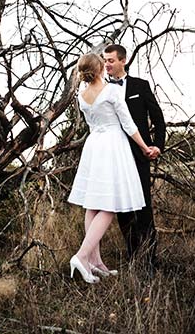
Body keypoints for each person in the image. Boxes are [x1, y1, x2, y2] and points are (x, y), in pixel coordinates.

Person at [68, 53, 153, 283]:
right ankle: (82, 256)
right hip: (113, 146)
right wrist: (145, 147)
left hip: (94, 146)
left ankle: (95, 262)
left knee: (93, 203)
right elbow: (128, 124)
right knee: (109, 204)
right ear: (99, 70)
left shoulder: (81, 95)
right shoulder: (112, 91)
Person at [103, 44, 166, 274]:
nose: (107, 64)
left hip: (139, 156)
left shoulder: (141, 85)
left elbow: (158, 119)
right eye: (105, 60)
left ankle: (150, 262)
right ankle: (132, 259)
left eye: (111, 60)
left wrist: (157, 145)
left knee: (144, 209)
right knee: (123, 211)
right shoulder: (102, 89)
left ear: (123, 60)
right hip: (114, 158)